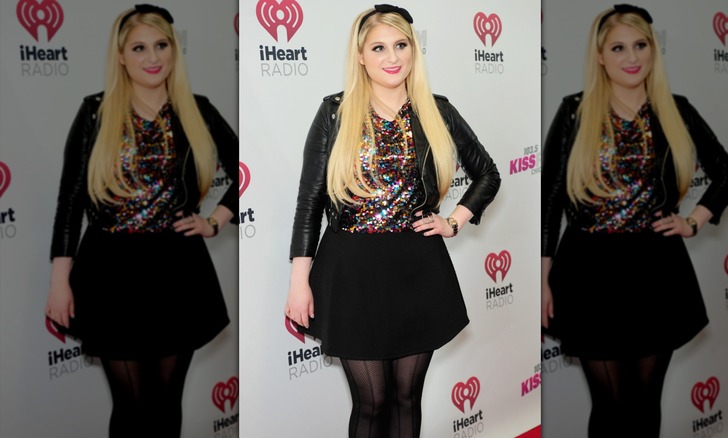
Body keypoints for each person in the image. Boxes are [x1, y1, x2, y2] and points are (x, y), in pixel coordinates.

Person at [285, 4, 500, 437]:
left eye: (401, 44)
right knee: (371, 402)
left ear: (414, 50)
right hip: (351, 270)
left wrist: (454, 221)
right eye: (378, 47)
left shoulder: (437, 110)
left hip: (417, 267)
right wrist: (298, 279)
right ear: (360, 55)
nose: (392, 57)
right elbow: (308, 201)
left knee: (406, 398)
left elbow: (488, 174)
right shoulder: (335, 112)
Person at [541, 4, 728, 437]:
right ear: (599, 55)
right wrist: (543, 276)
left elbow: (727, 174)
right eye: (618, 47)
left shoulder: (675, 109)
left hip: (656, 272)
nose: (631, 57)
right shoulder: (575, 111)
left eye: (640, 45)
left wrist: (693, 221)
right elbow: (550, 200)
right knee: (609, 406)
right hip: (589, 274)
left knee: (644, 404)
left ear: (653, 50)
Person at [45, 5, 238, 437]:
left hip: (177, 271)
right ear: (120, 56)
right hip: (110, 274)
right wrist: (60, 279)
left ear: (173, 50)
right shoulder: (96, 112)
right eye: (139, 47)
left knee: (166, 405)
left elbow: (247, 168)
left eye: (161, 45)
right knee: (130, 408)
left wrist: (216, 220)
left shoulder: (197, 109)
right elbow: (70, 199)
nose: (152, 57)